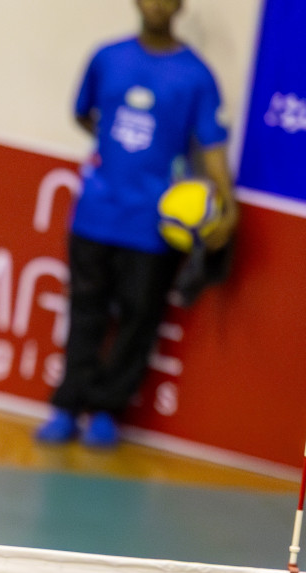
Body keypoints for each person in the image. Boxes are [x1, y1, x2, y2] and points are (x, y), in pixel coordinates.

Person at [36, 0, 236, 449]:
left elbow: (212, 146)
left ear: (181, 5)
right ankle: (67, 407)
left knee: (138, 320)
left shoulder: (197, 77)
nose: (158, 4)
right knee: (85, 313)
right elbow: (83, 112)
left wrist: (226, 205)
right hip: (95, 214)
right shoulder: (107, 57)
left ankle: (106, 411)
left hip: (152, 227)